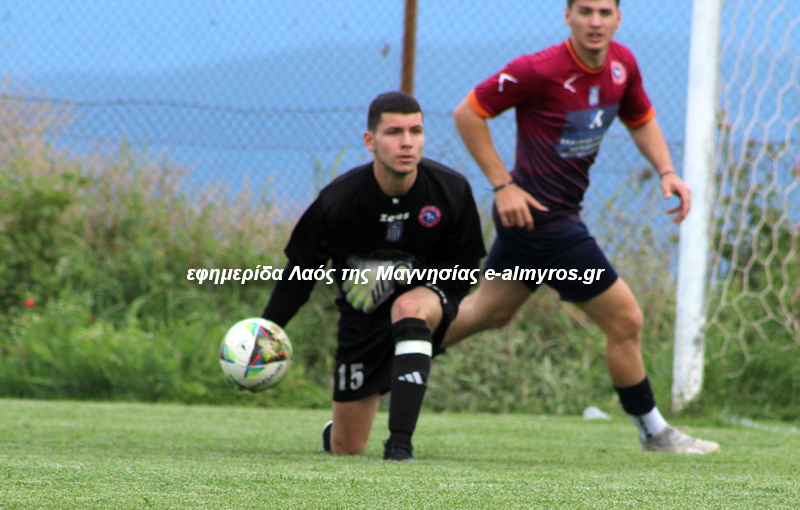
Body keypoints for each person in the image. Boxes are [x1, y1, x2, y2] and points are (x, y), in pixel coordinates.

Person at [443, 0, 719, 454]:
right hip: (543, 223)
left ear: (618, 18)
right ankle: (654, 432)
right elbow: (467, 113)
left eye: (605, 12)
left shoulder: (622, 65)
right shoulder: (537, 70)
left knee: (486, 313)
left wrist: (667, 171)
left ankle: (386, 358)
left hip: (540, 222)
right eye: (585, 11)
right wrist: (503, 185)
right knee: (626, 319)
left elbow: (640, 119)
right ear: (567, 15)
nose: (595, 21)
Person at [261, 91, 486, 461]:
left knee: (409, 308)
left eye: (416, 131)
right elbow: (300, 276)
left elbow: (464, 271)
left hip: (426, 298)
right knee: (346, 448)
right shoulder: (339, 200)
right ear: (370, 141)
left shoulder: (451, 190)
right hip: (362, 319)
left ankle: (399, 444)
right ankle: (339, 428)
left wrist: (403, 278)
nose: (407, 142)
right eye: (394, 132)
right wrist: (266, 333)